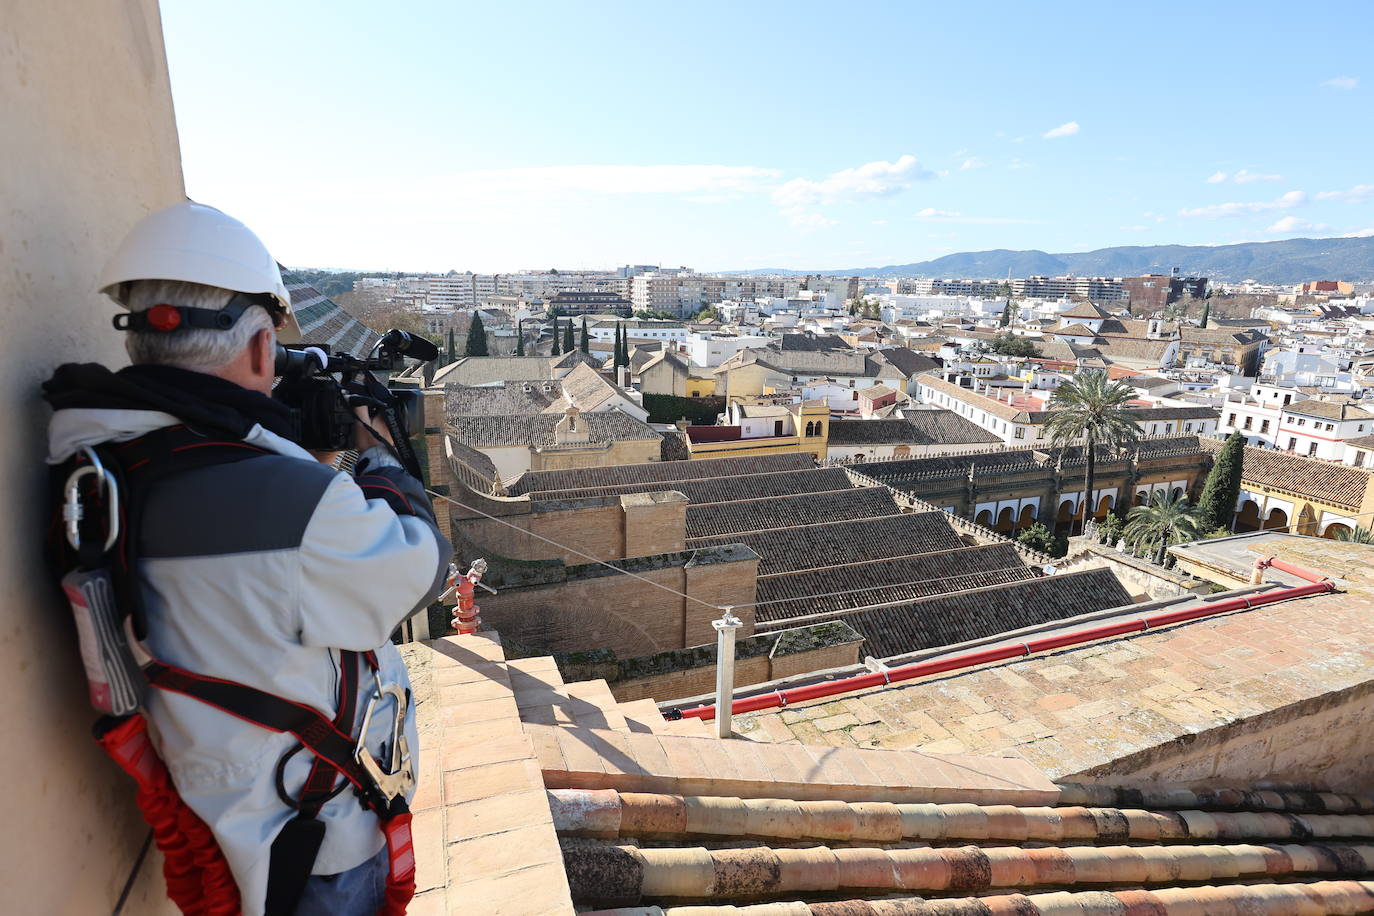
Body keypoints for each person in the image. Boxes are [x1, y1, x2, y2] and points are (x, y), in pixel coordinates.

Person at [44, 202, 451, 915]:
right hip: (313, 842)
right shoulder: (282, 500)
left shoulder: (114, 461)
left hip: (227, 808)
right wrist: (382, 458)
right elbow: (419, 565)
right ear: (262, 349)